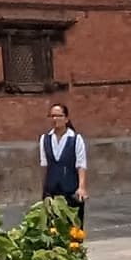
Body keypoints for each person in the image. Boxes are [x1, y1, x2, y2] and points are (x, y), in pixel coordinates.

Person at [36, 96, 89, 224]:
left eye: (58, 116)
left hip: (70, 189)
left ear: (66, 118)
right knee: (53, 229)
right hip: (52, 190)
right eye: (52, 116)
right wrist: (44, 191)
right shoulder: (45, 139)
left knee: (73, 229)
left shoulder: (75, 139)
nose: (55, 119)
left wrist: (81, 187)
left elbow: (81, 164)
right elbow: (44, 165)